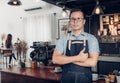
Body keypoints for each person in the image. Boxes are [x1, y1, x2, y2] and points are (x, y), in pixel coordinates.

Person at [52, 9, 100, 83]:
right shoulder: (63, 38)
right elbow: (55, 60)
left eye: (79, 19)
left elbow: (93, 62)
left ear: (84, 21)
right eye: (72, 19)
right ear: (70, 21)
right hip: (66, 79)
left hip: (85, 79)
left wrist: (67, 59)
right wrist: (78, 58)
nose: (75, 22)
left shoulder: (92, 39)